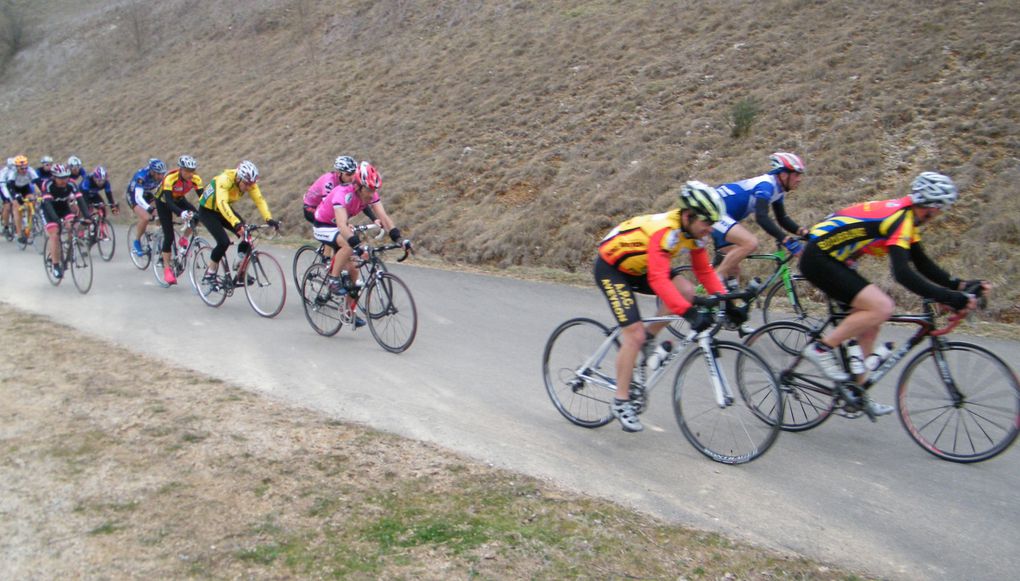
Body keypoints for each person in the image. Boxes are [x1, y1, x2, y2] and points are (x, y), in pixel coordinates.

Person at [798, 171, 986, 415]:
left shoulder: (907, 218)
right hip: (819, 258)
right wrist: (949, 297)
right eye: (941, 208)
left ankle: (857, 393)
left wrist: (961, 286)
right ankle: (821, 348)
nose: (940, 214)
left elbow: (922, 264)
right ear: (931, 205)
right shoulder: (899, 219)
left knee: (870, 325)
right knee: (882, 307)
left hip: (836, 259)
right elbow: (903, 274)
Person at [594, 181, 731, 433]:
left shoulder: (693, 233)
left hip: (643, 266)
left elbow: (703, 271)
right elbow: (658, 280)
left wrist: (726, 301)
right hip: (613, 268)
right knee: (632, 335)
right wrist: (689, 314)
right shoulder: (666, 231)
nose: (710, 229)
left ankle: (649, 337)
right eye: (706, 223)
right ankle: (621, 401)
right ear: (688, 216)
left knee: (687, 291)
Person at [712, 152, 810, 289]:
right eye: (796, 174)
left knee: (733, 272)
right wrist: (786, 240)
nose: (799, 179)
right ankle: (716, 279)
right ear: (783, 174)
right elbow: (761, 217)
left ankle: (724, 307)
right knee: (750, 243)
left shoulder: (778, 190)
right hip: (715, 211)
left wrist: (804, 233)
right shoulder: (766, 186)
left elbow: (782, 219)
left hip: (724, 215)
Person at [313, 161, 409, 296]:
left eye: (374, 189)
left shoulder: (371, 194)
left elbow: (384, 217)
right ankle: (333, 280)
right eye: (369, 189)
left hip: (340, 226)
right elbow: (341, 224)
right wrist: (358, 246)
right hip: (324, 225)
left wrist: (398, 238)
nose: (372, 194)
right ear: (358, 186)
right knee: (348, 245)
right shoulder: (343, 193)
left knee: (354, 273)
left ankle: (348, 315)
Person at [196, 160, 280, 285]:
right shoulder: (224, 180)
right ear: (239, 178)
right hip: (208, 211)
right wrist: (236, 223)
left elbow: (259, 200)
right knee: (223, 242)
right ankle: (210, 273)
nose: (248, 188)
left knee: (247, 236)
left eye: (251, 185)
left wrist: (268, 218)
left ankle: (240, 268)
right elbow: (222, 203)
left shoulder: (249, 183)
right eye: (246, 184)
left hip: (223, 210)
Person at [154, 155, 203, 285]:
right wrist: (181, 213)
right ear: (180, 169)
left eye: (192, 171)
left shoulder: (196, 179)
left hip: (179, 198)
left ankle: (184, 239)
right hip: (163, 202)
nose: (190, 174)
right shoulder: (170, 178)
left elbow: (204, 200)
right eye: (187, 170)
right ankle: (166, 269)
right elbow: (169, 202)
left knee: (198, 216)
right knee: (169, 236)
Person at [39, 164, 88, 279]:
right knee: (55, 234)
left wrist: (87, 216)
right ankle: (55, 265)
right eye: (61, 178)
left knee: (73, 225)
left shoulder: (71, 183)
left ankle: (70, 248)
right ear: (54, 177)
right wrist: (56, 220)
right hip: (48, 210)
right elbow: (47, 204)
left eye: (66, 177)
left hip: (63, 208)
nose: (64, 180)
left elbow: (80, 199)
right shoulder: (47, 184)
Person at [125, 158, 168, 256]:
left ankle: (158, 235)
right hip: (134, 195)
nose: (161, 176)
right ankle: (137, 241)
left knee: (161, 212)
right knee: (146, 217)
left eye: (162, 174)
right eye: (158, 174)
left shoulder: (162, 176)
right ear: (152, 172)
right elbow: (138, 197)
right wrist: (149, 209)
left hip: (147, 193)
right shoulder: (141, 177)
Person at [303, 155, 357, 225]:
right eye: (349, 174)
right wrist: (345, 224)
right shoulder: (329, 182)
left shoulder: (347, 180)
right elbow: (328, 208)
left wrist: (374, 219)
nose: (352, 177)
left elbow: (361, 198)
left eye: (354, 173)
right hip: (312, 209)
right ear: (339, 173)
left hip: (324, 207)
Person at [3, 155, 41, 244]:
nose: (24, 170)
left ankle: (30, 221)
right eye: (21, 169)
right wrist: (15, 196)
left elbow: (37, 182)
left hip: (25, 187)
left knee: (32, 200)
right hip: (15, 188)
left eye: (25, 168)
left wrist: (40, 193)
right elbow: (10, 186)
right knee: (16, 207)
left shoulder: (30, 170)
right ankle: (19, 233)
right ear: (17, 168)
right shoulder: (13, 173)